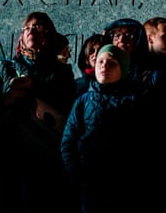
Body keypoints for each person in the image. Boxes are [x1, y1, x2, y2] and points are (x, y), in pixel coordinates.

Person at [0, 12, 77, 213]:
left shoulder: (61, 72)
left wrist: (35, 90)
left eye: (38, 27)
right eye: (27, 27)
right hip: (5, 154)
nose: (31, 30)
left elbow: (66, 114)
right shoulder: (5, 68)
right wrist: (9, 96)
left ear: (48, 35)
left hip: (42, 154)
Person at [59, 45, 138, 213]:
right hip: (89, 181)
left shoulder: (133, 101)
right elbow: (68, 141)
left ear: (122, 70)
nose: (104, 66)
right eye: (101, 61)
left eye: (112, 63)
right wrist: (77, 175)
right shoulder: (83, 101)